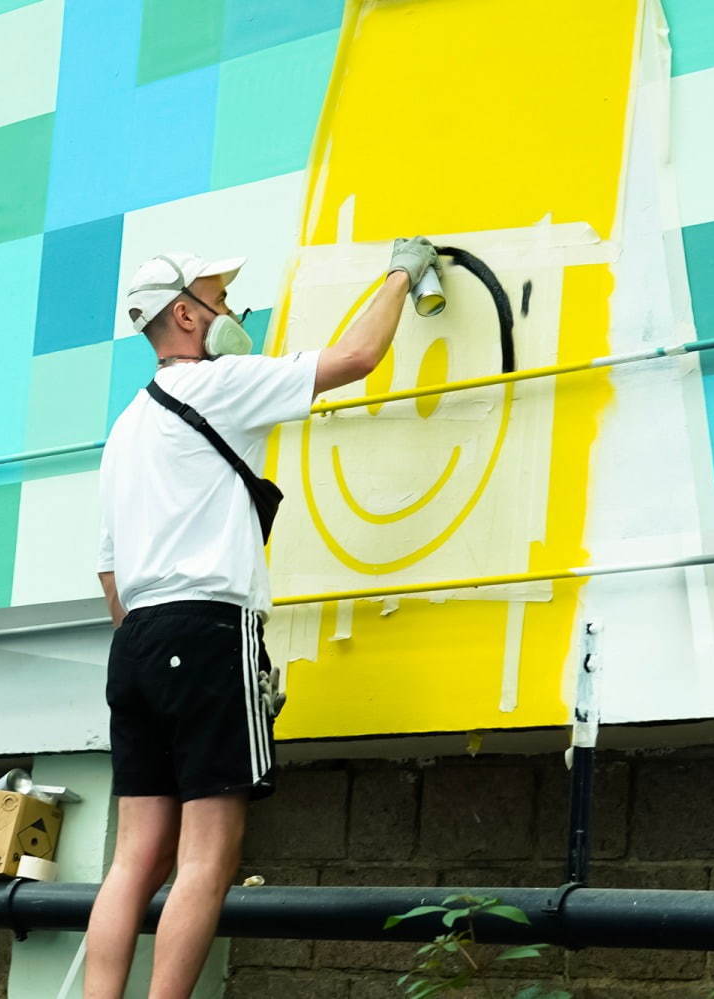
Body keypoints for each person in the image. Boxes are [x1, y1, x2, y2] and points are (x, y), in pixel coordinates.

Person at [86, 237, 440, 998]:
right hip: (207, 629)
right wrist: (400, 275)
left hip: (136, 643)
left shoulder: (125, 431)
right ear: (186, 314)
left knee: (134, 856)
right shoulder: (220, 385)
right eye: (219, 298)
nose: (234, 312)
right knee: (208, 854)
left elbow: (110, 573)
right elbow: (355, 357)